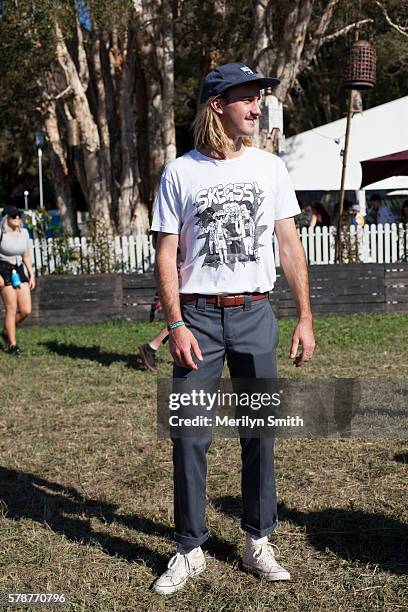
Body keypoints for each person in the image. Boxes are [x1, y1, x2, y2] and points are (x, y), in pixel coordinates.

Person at [150, 61, 315, 595]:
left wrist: (305, 317)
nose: (257, 106)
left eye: (259, 98)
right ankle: (189, 548)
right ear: (218, 104)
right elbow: (166, 252)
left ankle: (257, 541)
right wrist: (175, 323)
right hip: (196, 318)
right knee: (190, 437)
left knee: (260, 434)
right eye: (248, 97)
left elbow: (289, 245)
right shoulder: (180, 172)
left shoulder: (270, 168)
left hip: (254, 315)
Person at [0, 205, 35, 355]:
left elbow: (26, 255)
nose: (17, 218)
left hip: (19, 270)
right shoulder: (1, 233)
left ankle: (6, 330)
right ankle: (12, 345)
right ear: (6, 218)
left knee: (26, 309)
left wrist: (31, 274)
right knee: (11, 308)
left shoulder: (24, 233)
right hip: (3, 269)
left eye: (18, 216)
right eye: (13, 216)